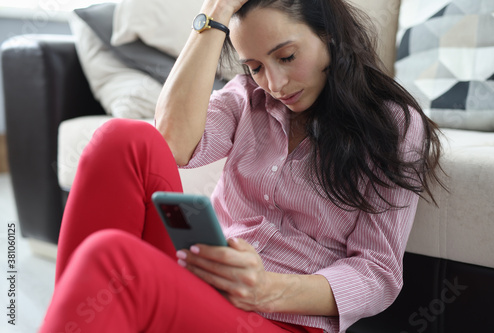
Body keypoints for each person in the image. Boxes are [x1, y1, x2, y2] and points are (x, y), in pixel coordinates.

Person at [39, 0, 444, 332]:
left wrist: (266, 289)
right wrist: (214, 15)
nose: (275, 83)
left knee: (112, 257)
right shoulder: (248, 98)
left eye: (287, 56)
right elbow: (171, 144)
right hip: (201, 287)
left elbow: (378, 274)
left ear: (330, 35)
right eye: (254, 66)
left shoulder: (395, 124)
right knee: (121, 139)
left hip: (278, 321)